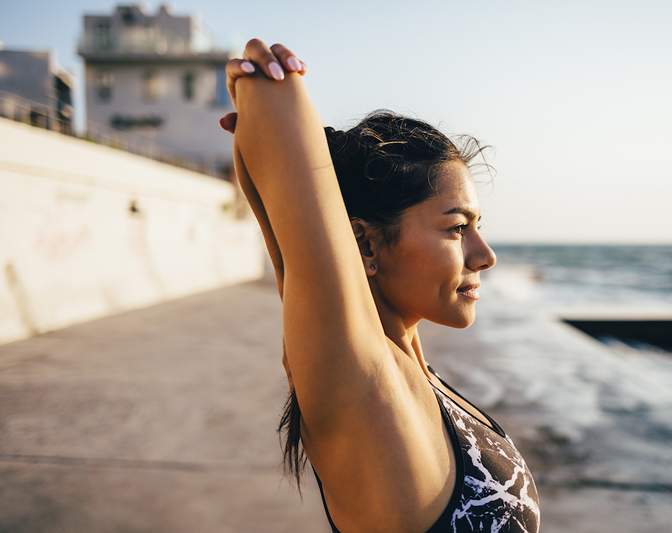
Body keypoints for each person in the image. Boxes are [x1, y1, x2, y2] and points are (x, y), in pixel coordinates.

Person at [219, 38, 541, 532]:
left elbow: (281, 233)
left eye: (478, 226)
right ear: (365, 245)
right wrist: (266, 81)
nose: (485, 255)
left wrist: (254, 135)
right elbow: (275, 107)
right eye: (457, 228)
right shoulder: (362, 383)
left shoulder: (408, 372)